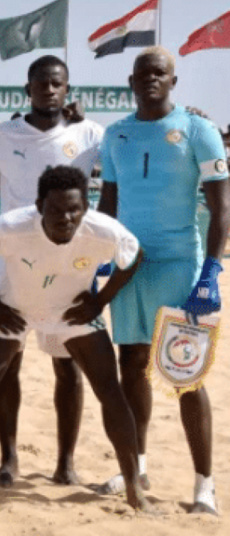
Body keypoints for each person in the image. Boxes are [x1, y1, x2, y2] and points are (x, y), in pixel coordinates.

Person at [0, 165, 151, 511]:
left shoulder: (102, 229)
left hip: (72, 314)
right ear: (39, 205)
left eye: (74, 209)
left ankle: (134, 489)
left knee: (110, 392)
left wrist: (99, 302)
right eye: (56, 209)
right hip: (15, 309)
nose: (66, 217)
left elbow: (135, 257)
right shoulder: (11, 226)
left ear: (86, 206)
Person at [0, 55, 104, 487]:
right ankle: (8, 458)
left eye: (57, 83)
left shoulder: (91, 134)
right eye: (42, 83)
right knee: (7, 364)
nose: (50, 90)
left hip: (70, 267)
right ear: (28, 89)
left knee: (67, 366)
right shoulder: (3, 137)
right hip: (13, 266)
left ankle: (66, 463)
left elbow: (126, 165)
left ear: (67, 89)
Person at [96, 47, 230, 515]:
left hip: (178, 266)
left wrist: (212, 272)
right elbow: (106, 206)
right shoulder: (116, 134)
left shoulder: (199, 130)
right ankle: (137, 466)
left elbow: (222, 210)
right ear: (130, 81)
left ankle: (204, 486)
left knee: (186, 375)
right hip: (128, 267)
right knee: (130, 363)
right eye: (143, 74)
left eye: (160, 73)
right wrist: (97, 264)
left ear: (173, 81)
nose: (151, 79)